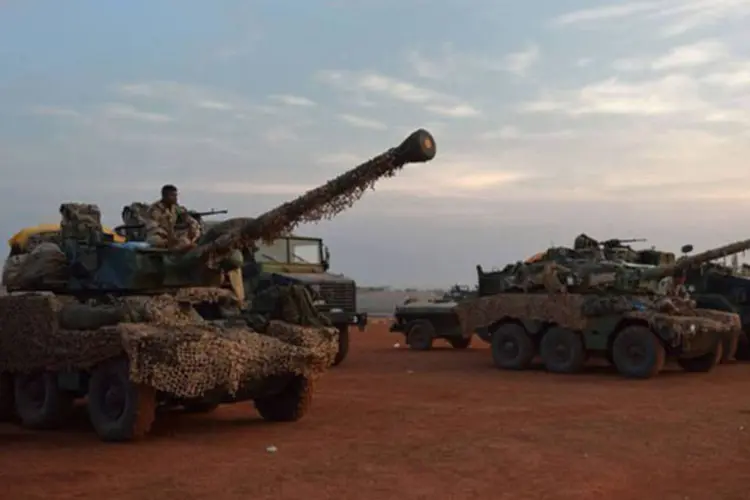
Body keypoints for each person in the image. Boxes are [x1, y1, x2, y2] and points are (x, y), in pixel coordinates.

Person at [144, 184, 201, 250]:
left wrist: (192, 225)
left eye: (176, 195)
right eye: (172, 195)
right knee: (155, 240)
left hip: (171, 234)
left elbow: (186, 217)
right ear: (164, 196)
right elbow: (153, 228)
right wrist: (170, 236)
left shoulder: (175, 207)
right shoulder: (154, 209)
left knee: (193, 230)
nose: (175, 198)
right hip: (158, 235)